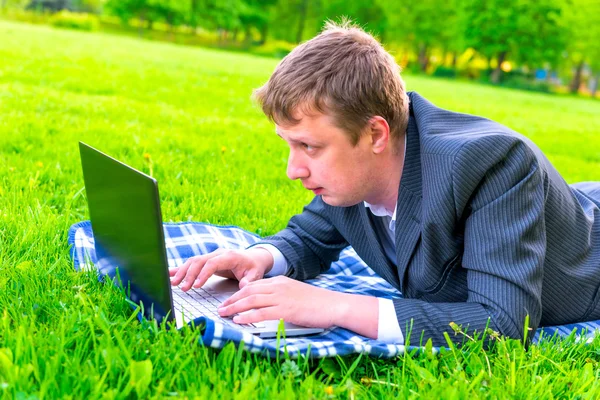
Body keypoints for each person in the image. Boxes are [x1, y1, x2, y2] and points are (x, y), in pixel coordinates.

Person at [169, 22, 600, 346]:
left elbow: (503, 323)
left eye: (309, 147)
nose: (293, 170)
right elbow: (309, 237)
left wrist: (335, 306)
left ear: (376, 134)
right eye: (289, 145)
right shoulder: (352, 176)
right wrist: (258, 258)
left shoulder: (492, 164)